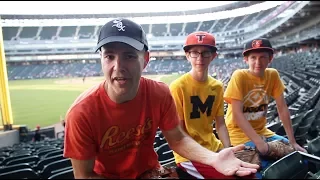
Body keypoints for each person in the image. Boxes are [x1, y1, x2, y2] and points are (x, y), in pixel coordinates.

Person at [63, 18, 259, 179]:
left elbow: (178, 139)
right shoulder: (81, 113)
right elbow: (84, 176)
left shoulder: (159, 93)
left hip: (151, 173)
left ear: (145, 60)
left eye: (129, 56)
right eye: (109, 56)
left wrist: (213, 158)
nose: (118, 65)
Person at [223, 38, 307, 178]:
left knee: (298, 158)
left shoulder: (272, 75)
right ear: (246, 59)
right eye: (253, 57)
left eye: (263, 57)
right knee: (263, 171)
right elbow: (237, 115)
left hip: (263, 131)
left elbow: (282, 109)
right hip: (237, 134)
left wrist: (293, 142)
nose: (258, 62)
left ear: (270, 58)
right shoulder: (239, 76)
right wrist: (259, 143)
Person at [169, 31, 233, 179]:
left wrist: (228, 149)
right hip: (188, 155)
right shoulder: (178, 87)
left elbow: (220, 124)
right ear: (187, 55)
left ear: (213, 56)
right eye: (194, 53)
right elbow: (178, 130)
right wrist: (205, 155)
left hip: (213, 147)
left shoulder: (217, 86)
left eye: (205, 53)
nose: (199, 58)